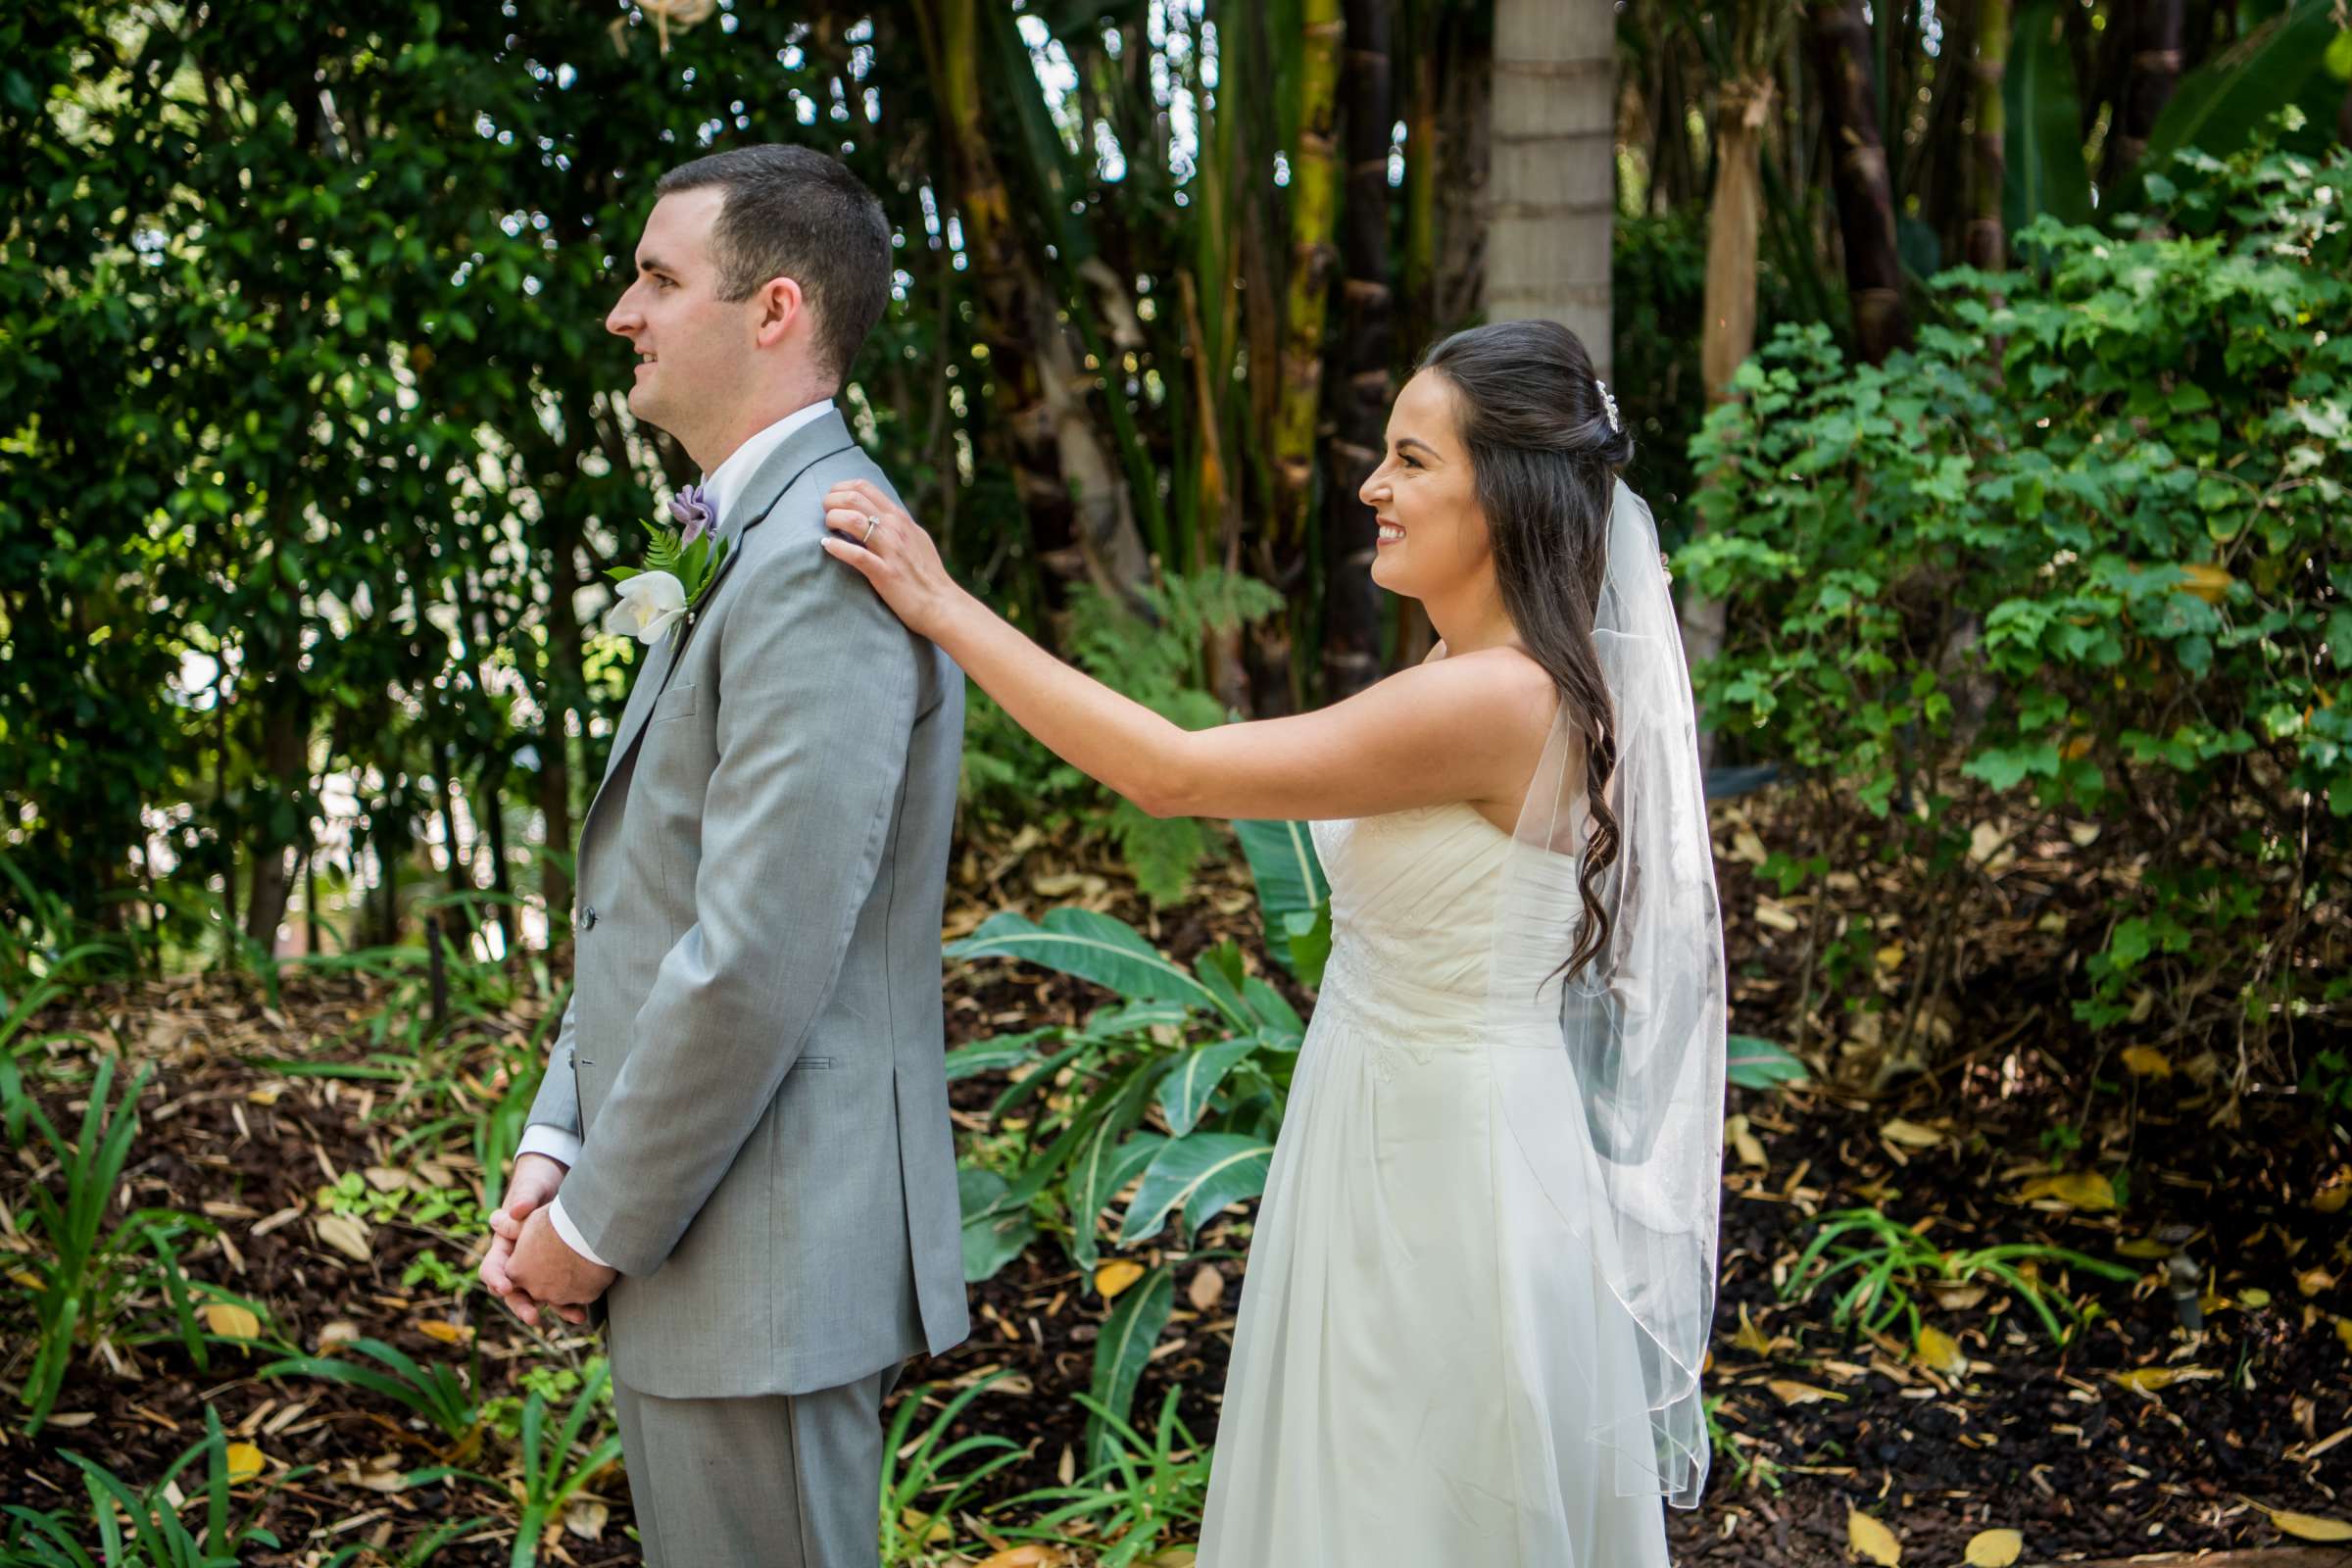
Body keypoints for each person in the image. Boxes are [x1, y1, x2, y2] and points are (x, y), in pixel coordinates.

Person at [821, 318, 1728, 1564]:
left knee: (1403, 1502)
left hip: (1437, 1162)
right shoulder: (1497, 673)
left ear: (1504, 496)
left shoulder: (1494, 696)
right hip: (1412, 1119)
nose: (1374, 486)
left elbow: (1172, 772)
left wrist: (941, 604)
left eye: (1413, 460)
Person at [476, 144, 969, 1568]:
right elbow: (650, 888)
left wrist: (600, 1221)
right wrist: (557, 1138)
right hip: (709, 1229)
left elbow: (755, 949)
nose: (623, 312)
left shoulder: (820, 556)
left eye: (656, 277)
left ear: (774, 310)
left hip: (761, 1241)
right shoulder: (736, 535)